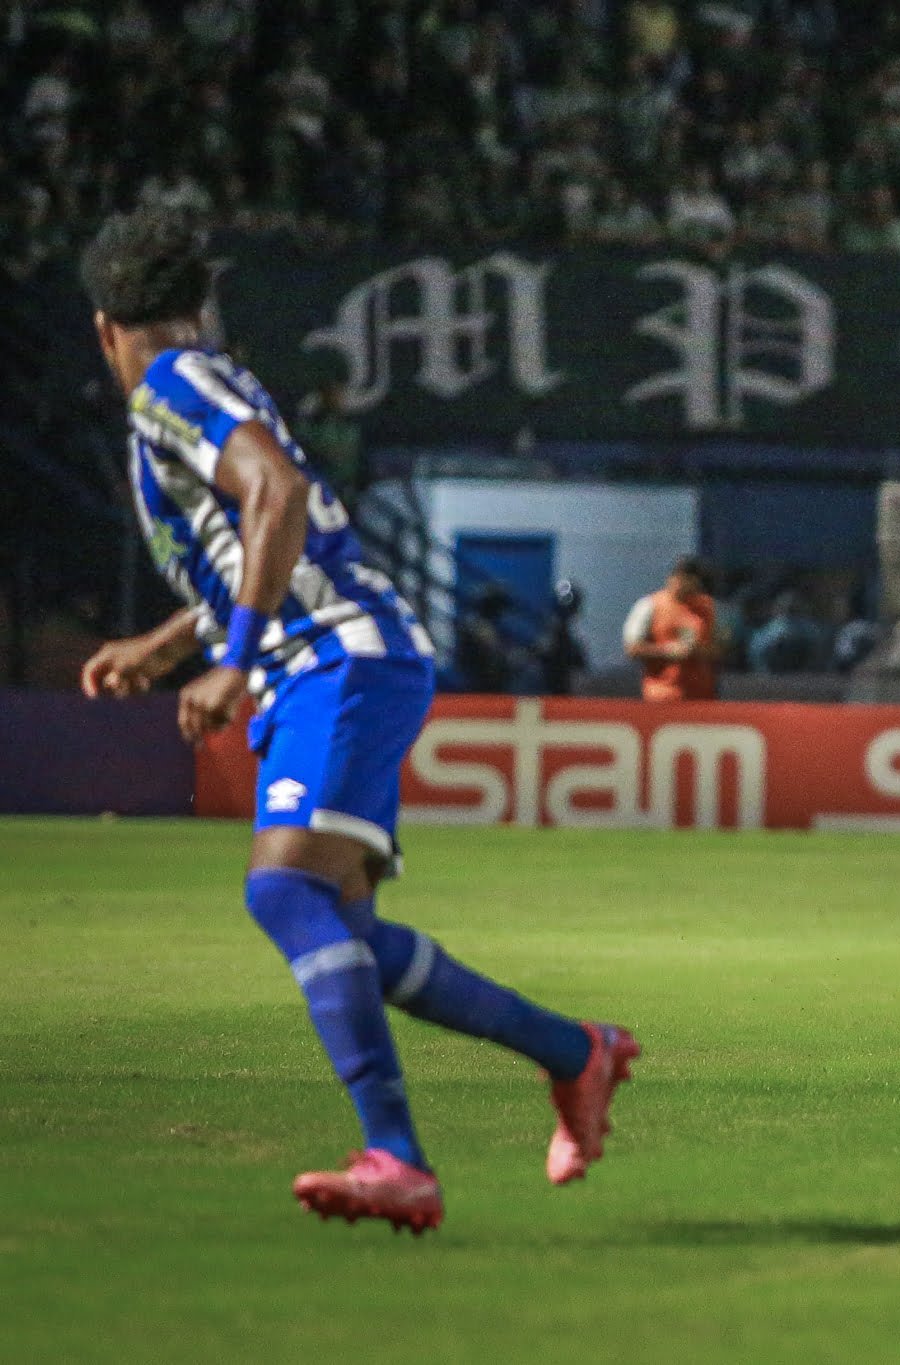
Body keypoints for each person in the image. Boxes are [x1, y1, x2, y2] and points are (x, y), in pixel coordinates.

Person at [74, 209, 637, 1233]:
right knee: (352, 936)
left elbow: (280, 497)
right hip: (335, 658)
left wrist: (230, 661)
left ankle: (398, 1159)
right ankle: (577, 1054)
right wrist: (169, 646)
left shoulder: (171, 385)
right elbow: (272, 531)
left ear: (107, 326)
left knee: (285, 893)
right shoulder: (212, 381)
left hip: (335, 660)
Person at [624, 556, 719, 700]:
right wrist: (667, 651)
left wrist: (697, 651)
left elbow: (719, 648)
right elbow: (632, 649)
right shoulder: (649, 606)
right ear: (674, 578)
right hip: (662, 694)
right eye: (683, 580)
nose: (688, 588)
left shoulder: (707, 607)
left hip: (700, 696)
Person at [536, 578, 588, 696]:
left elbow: (579, 663)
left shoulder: (572, 632)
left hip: (563, 686)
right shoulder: (551, 629)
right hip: (548, 685)